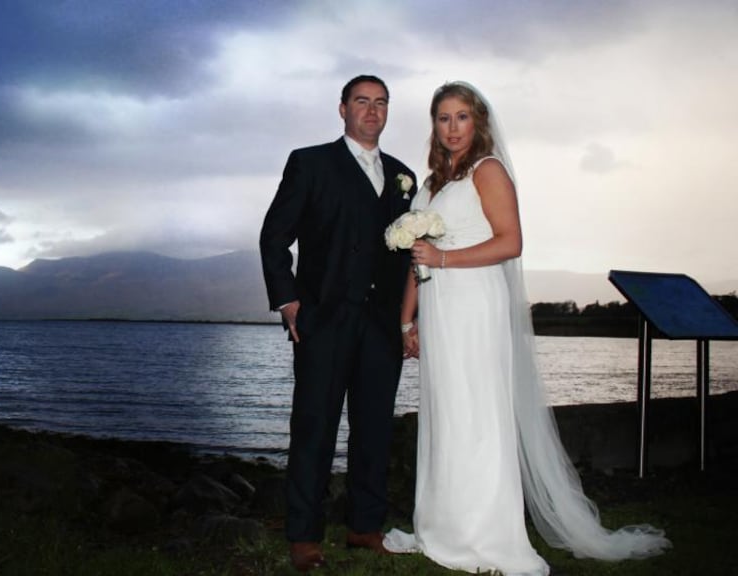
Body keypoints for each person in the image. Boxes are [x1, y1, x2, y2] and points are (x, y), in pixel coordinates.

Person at [383, 81, 671, 575]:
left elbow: (511, 242)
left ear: (478, 122)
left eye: (461, 117)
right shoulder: (430, 184)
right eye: (443, 118)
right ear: (433, 125)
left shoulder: (487, 171)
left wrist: (445, 258)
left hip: (475, 304)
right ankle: (440, 527)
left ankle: (488, 534)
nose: (451, 128)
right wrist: (408, 319)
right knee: (446, 413)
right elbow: (417, 259)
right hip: (441, 307)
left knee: (479, 415)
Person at [259, 74, 417, 572]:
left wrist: (410, 322)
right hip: (323, 320)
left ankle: (363, 526)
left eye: (381, 103)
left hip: (381, 325)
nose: (372, 111)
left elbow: (412, 255)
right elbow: (273, 237)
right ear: (343, 108)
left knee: (373, 429)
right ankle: (303, 535)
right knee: (314, 427)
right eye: (362, 102)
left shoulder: (402, 176)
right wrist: (288, 301)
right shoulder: (310, 163)